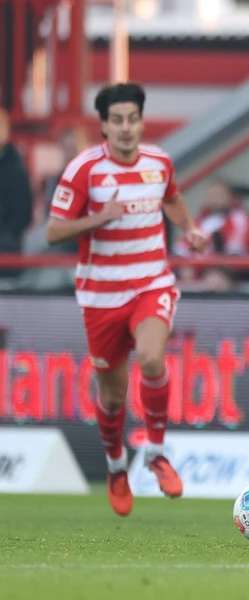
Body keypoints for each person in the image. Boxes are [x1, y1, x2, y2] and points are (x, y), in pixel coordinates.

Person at [45, 83, 208, 516]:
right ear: (103, 126)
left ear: (140, 121)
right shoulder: (84, 170)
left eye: (132, 119)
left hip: (150, 283)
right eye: (116, 120)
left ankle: (154, 452)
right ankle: (117, 466)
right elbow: (53, 231)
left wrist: (189, 229)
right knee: (113, 396)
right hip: (101, 296)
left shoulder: (159, 162)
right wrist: (101, 217)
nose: (125, 128)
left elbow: (170, 198)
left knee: (153, 359)